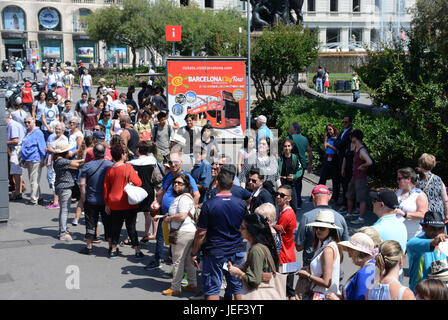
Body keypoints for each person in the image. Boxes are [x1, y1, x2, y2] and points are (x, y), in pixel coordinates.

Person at [190, 164, 249, 300]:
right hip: (236, 250)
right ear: (232, 184)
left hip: (215, 251)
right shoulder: (241, 204)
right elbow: (246, 227)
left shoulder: (209, 205)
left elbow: (201, 233)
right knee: (237, 286)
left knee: (213, 289)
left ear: (217, 183)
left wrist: (194, 252)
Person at [145, 152, 200, 270]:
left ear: (181, 163)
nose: (173, 165)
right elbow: (163, 192)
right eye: (170, 162)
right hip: (165, 213)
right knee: (161, 236)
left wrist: (191, 211)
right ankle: (159, 259)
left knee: (174, 240)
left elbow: (197, 195)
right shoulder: (168, 176)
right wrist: (156, 202)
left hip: (177, 215)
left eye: (175, 162)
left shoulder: (187, 177)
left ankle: (175, 265)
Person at [103, 145, 145, 259]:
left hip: (114, 202)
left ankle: (113, 249)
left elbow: (106, 187)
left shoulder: (110, 170)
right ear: (122, 155)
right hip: (128, 201)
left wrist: (107, 203)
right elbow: (138, 182)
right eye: (125, 153)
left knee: (115, 227)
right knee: (131, 227)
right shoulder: (128, 168)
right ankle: (137, 250)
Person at [161, 174, 198, 296]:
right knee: (187, 260)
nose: (176, 185)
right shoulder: (187, 197)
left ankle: (176, 287)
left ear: (186, 186)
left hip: (182, 232)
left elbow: (182, 215)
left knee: (178, 260)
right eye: (175, 182)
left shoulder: (183, 198)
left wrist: (169, 218)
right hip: (188, 231)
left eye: (179, 183)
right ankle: (192, 284)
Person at [295, 184, 349, 267]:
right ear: (329, 197)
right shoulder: (340, 218)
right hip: (333, 266)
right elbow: (345, 246)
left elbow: (299, 247)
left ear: (313, 196)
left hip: (311, 267)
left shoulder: (307, 217)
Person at [297, 209, 343, 299]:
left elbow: (326, 282)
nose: (318, 230)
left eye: (322, 228)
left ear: (330, 229)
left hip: (321, 296)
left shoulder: (328, 250)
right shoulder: (326, 245)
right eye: (316, 227)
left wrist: (307, 275)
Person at [228, 213, 280, 292]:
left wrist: (239, 273)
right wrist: (241, 268)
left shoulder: (255, 250)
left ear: (251, 230)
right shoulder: (261, 246)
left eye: (242, 228)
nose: (239, 230)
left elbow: (255, 280)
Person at [78, 143, 114, 255]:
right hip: (106, 201)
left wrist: (84, 198)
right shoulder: (110, 165)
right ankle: (111, 247)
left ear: (93, 153)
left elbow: (82, 184)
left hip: (91, 199)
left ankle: (89, 247)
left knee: (90, 222)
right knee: (108, 223)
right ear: (104, 153)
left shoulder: (87, 166)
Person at [128, 140, 163, 243]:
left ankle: (130, 237)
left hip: (135, 191)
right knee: (147, 213)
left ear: (138, 150)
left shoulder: (132, 163)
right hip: (149, 190)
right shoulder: (153, 162)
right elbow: (157, 178)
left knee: (132, 215)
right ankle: (145, 234)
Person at [325, 233, 376, 300]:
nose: (349, 256)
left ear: (357, 252)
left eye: (350, 252)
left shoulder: (365, 273)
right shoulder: (370, 267)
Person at [407, 210, 448, 292]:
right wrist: (434, 241)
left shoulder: (445, 244)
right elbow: (410, 244)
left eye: (440, 229)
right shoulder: (415, 242)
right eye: (433, 228)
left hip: (440, 292)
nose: (437, 232)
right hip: (420, 292)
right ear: (424, 228)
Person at [53, 140, 85, 241]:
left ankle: (63, 229)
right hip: (65, 188)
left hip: (62, 187)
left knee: (64, 210)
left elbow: (76, 163)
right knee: (65, 210)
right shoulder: (62, 161)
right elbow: (77, 164)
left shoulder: (58, 160)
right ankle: (62, 233)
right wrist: (87, 160)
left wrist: (84, 160)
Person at [345, 129, 373, 225]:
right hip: (355, 176)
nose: (350, 138)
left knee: (361, 198)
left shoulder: (361, 150)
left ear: (355, 138)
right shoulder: (356, 148)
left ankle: (361, 218)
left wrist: (363, 166)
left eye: (352, 136)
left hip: (361, 177)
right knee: (349, 194)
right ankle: (349, 213)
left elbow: (369, 161)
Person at [275, 185, 298, 300]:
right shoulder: (285, 212)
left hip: (285, 258)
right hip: (290, 256)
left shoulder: (286, 214)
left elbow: (275, 231)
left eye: (282, 195)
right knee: (289, 290)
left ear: (289, 198)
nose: (278, 197)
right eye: (277, 194)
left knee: (285, 290)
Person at [394, 167, 429, 239]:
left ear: (408, 179)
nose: (397, 181)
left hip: (412, 236)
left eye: (399, 179)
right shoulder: (398, 191)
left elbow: (423, 214)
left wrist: (404, 214)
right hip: (397, 233)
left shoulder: (419, 195)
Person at [415, 153, 448, 227]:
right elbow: (445, 200)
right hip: (438, 215)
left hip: (423, 214)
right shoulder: (438, 179)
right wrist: (446, 214)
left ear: (420, 163)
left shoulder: (416, 179)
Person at [21, 117, 46, 206]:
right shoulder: (28, 132)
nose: (27, 124)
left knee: (33, 180)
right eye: (25, 122)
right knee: (33, 179)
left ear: (33, 122)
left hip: (36, 159)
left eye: (28, 122)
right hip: (28, 158)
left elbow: (42, 146)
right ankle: (39, 196)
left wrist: (43, 159)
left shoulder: (38, 133)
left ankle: (33, 199)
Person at [288, 122, 313, 209]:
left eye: (290, 127)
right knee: (298, 183)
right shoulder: (304, 139)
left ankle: (294, 201)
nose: (288, 129)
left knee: (291, 183)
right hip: (302, 164)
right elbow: (309, 152)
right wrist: (310, 164)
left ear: (294, 129)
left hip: (291, 164)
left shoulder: (288, 138)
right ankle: (299, 202)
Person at [45, 122, 68, 209]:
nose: (57, 130)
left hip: (59, 162)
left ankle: (56, 202)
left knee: (55, 180)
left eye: (59, 129)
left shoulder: (64, 139)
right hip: (52, 161)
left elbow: (64, 151)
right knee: (52, 179)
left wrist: (52, 150)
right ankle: (56, 200)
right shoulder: (54, 137)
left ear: (63, 130)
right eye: (56, 129)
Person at [278, 138, 303, 213]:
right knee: (282, 206)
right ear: (283, 147)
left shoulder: (295, 157)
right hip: (282, 184)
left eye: (289, 146)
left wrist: (294, 176)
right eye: (285, 146)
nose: (287, 148)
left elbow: (300, 170)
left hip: (292, 185)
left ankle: (291, 222)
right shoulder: (279, 158)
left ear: (291, 147)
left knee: (294, 206)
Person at [334, 115, 353, 208]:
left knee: (345, 181)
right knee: (340, 180)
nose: (344, 124)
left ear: (350, 123)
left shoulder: (350, 133)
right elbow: (337, 142)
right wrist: (338, 144)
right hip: (339, 158)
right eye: (343, 122)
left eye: (346, 122)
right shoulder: (342, 132)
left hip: (345, 159)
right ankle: (341, 199)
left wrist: (338, 144)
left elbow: (341, 144)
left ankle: (346, 202)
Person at [6, 110, 26, 201]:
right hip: (18, 149)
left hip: (16, 149)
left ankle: (18, 192)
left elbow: (15, 140)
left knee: (16, 172)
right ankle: (19, 190)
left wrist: (4, 142)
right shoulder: (14, 124)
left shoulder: (12, 125)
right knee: (18, 172)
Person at [318, 124, 339, 192]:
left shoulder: (337, 138)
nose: (329, 131)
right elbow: (324, 148)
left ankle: (334, 196)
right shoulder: (328, 138)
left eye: (330, 129)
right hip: (327, 157)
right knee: (323, 176)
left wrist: (329, 145)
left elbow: (337, 150)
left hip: (334, 158)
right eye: (327, 129)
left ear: (334, 129)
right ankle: (318, 191)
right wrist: (325, 139)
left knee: (334, 177)